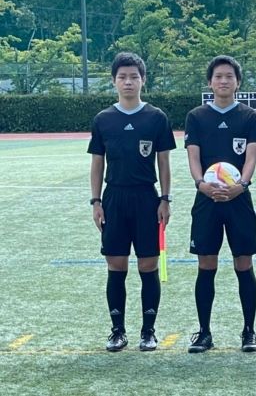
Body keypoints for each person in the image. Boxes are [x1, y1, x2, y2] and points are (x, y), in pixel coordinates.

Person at [88, 52, 176, 352]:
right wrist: (96, 201)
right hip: (114, 197)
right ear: (114, 81)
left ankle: (148, 331)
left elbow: (163, 162)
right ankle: (117, 331)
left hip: (146, 197)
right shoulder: (103, 120)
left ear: (143, 80)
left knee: (148, 264)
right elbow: (97, 163)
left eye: (134, 77)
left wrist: (165, 198)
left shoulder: (156, 117)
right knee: (116, 264)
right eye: (122, 77)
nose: (128, 82)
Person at [184, 55, 256, 353]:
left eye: (229, 76)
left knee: (244, 263)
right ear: (210, 82)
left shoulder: (249, 117)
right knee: (206, 264)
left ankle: (249, 332)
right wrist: (201, 184)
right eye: (218, 76)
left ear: (238, 82)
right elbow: (193, 157)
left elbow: (251, 158)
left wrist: (240, 186)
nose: (223, 81)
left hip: (238, 200)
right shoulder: (196, 117)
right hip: (206, 200)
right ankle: (204, 332)